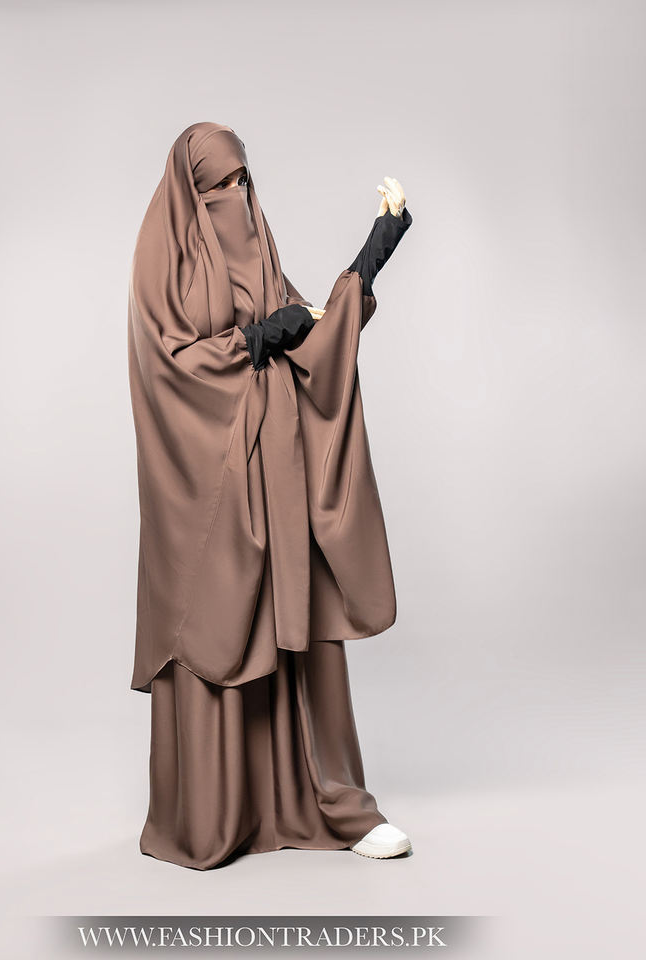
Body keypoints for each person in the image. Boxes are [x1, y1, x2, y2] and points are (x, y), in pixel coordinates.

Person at [127, 121, 413, 870]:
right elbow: (171, 367)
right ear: (189, 195)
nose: (236, 197)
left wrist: (374, 252)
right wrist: (255, 340)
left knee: (298, 616)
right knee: (220, 619)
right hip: (206, 493)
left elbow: (312, 335)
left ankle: (325, 800)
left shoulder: (262, 254)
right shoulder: (162, 262)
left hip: (275, 476)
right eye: (217, 187)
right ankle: (215, 815)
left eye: (243, 182)